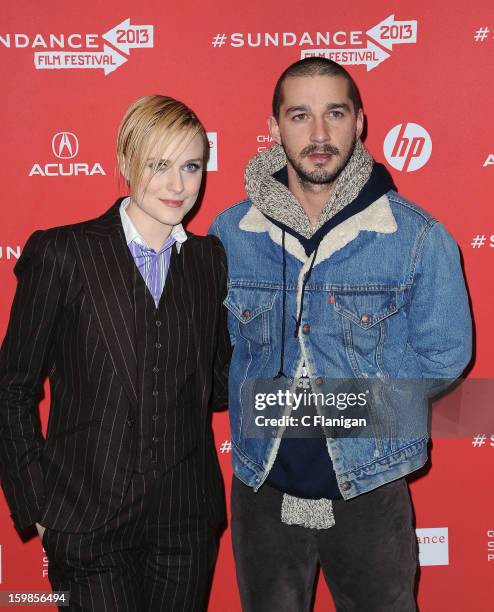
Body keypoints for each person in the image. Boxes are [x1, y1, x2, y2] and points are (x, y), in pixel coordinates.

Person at [209, 58, 472, 611]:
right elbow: (217, 348)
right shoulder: (231, 234)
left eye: (335, 113)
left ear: (360, 122)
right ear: (276, 126)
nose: (320, 134)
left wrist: (346, 415)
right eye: (300, 116)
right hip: (262, 489)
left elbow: (447, 354)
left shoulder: (416, 237)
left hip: (371, 487)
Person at [0, 95, 230, 611]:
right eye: (159, 165)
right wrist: (35, 502)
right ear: (127, 163)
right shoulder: (63, 252)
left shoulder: (208, 260)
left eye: (191, 166)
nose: (178, 185)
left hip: (183, 522)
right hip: (86, 518)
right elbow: (11, 387)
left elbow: (214, 387)